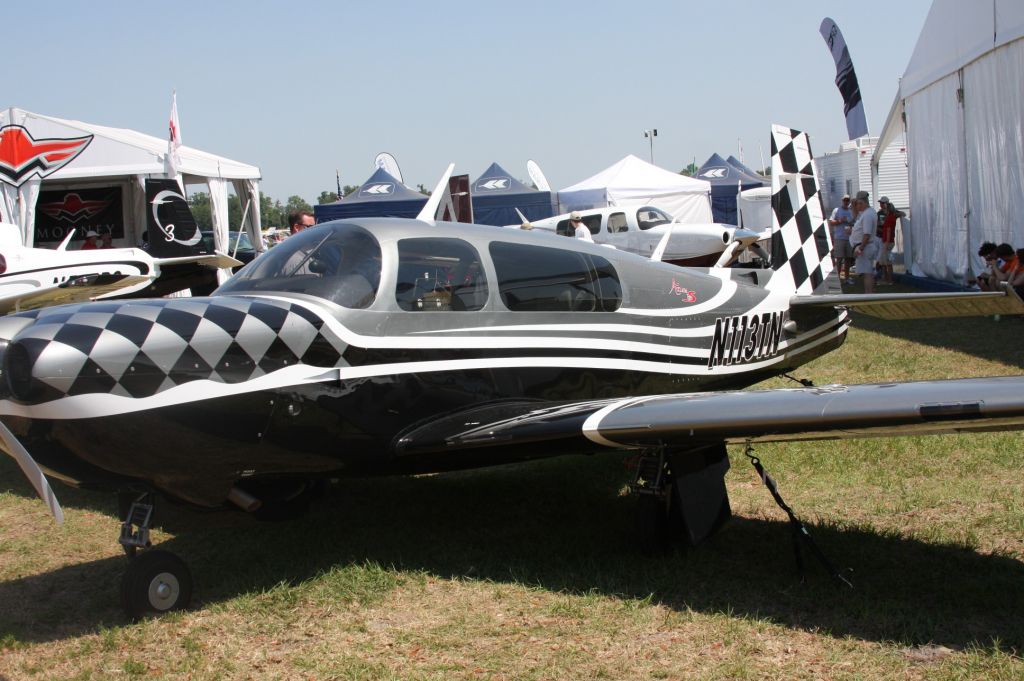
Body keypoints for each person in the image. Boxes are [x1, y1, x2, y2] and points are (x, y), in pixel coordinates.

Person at [849, 190, 879, 293]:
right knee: (867, 272)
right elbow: (855, 216)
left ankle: (869, 293)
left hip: (865, 248)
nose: (856, 206)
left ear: (861, 203)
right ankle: (869, 291)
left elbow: (867, 234)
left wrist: (860, 248)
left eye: (857, 204)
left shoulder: (867, 215)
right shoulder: (867, 213)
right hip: (865, 246)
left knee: (867, 273)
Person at [876, 197, 904, 285]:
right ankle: (887, 278)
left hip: (886, 241)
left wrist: (886, 243)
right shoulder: (883, 214)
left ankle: (888, 279)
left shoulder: (890, 217)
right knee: (884, 261)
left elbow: (888, 230)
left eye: (883, 203)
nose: (881, 205)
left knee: (886, 262)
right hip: (883, 238)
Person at [827, 194, 854, 283]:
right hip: (839, 238)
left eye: (848, 200)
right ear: (842, 201)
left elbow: (854, 222)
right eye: (845, 200)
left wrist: (851, 225)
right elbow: (831, 222)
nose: (846, 202)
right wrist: (840, 221)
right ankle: (837, 279)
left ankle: (846, 278)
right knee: (839, 259)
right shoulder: (836, 210)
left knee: (848, 259)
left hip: (849, 238)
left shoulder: (851, 211)